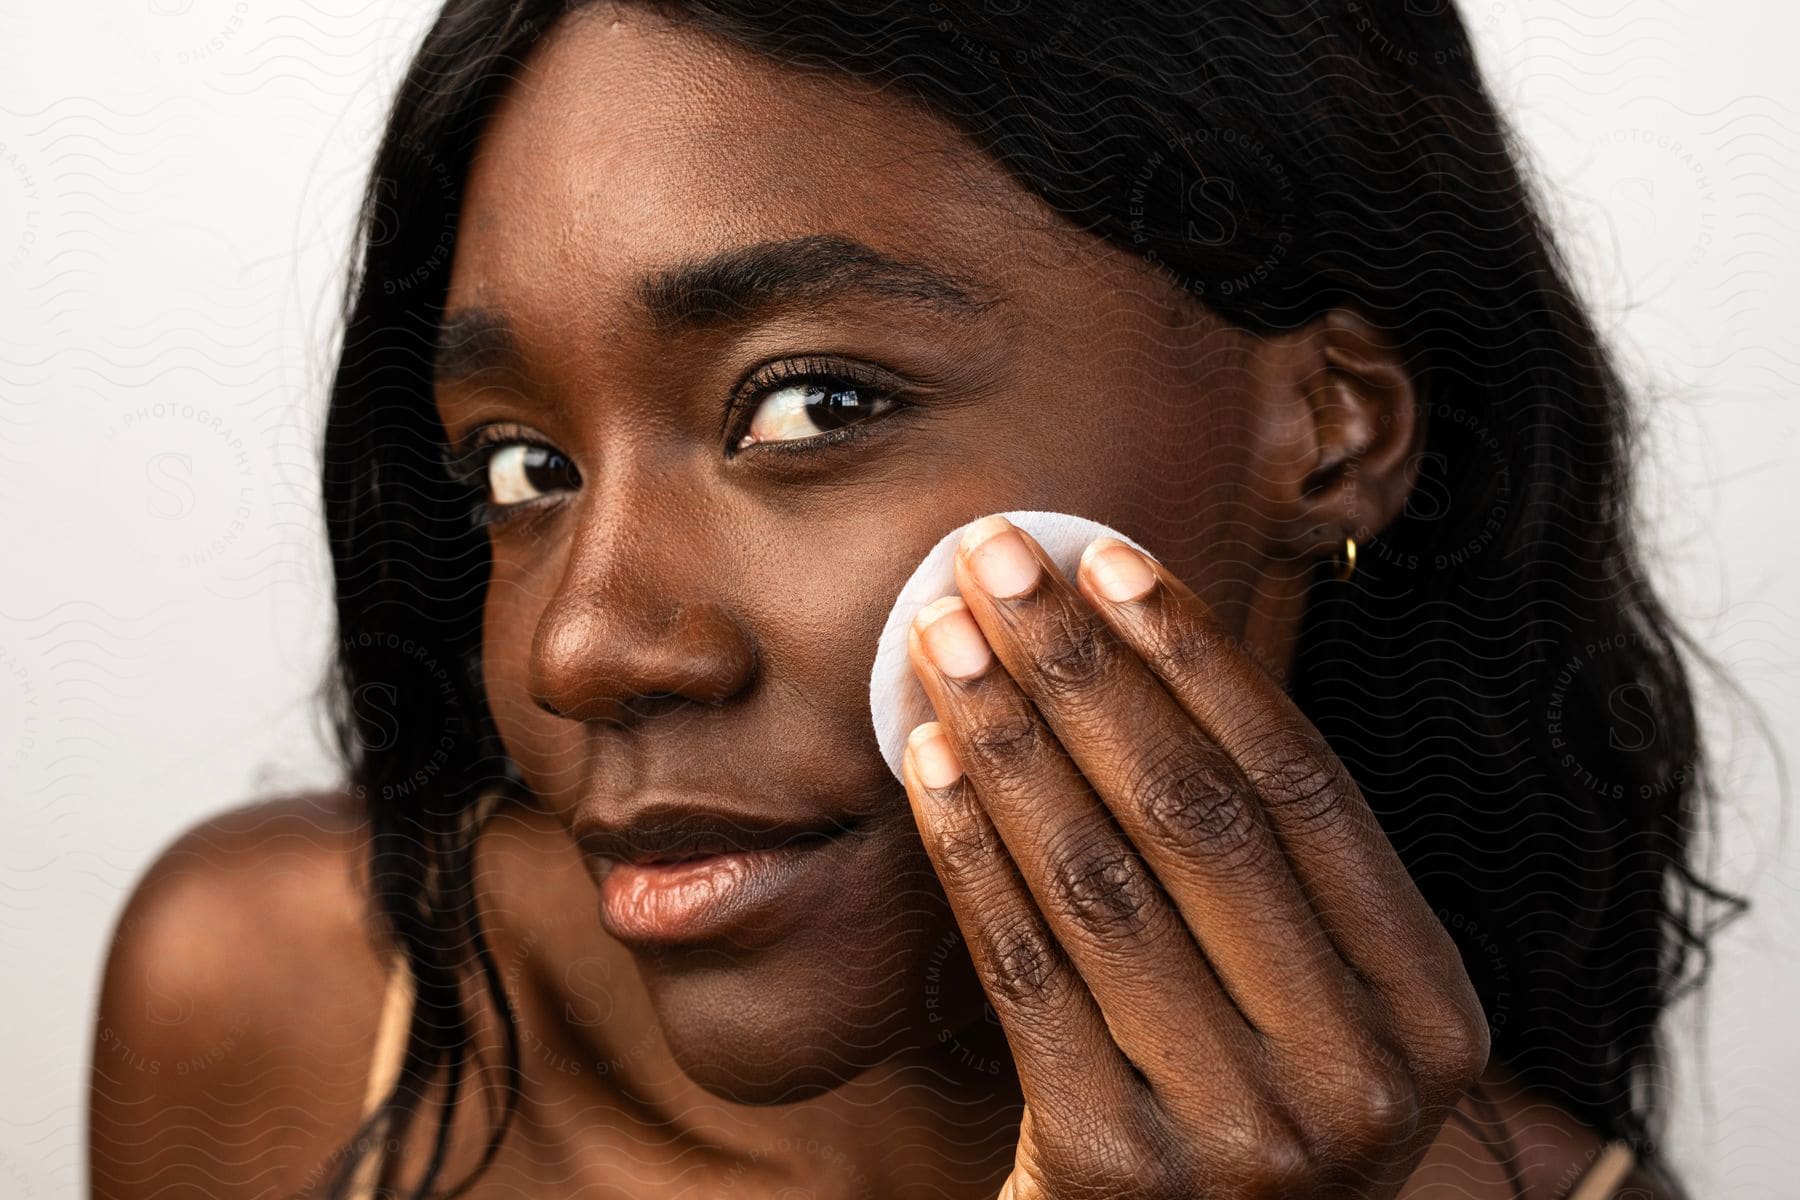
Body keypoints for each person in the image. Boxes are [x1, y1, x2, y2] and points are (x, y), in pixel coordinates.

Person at [89, 2, 1738, 1196]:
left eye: (812, 407)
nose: (583, 647)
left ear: (1328, 430)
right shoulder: (287, 1001)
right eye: (522, 468)